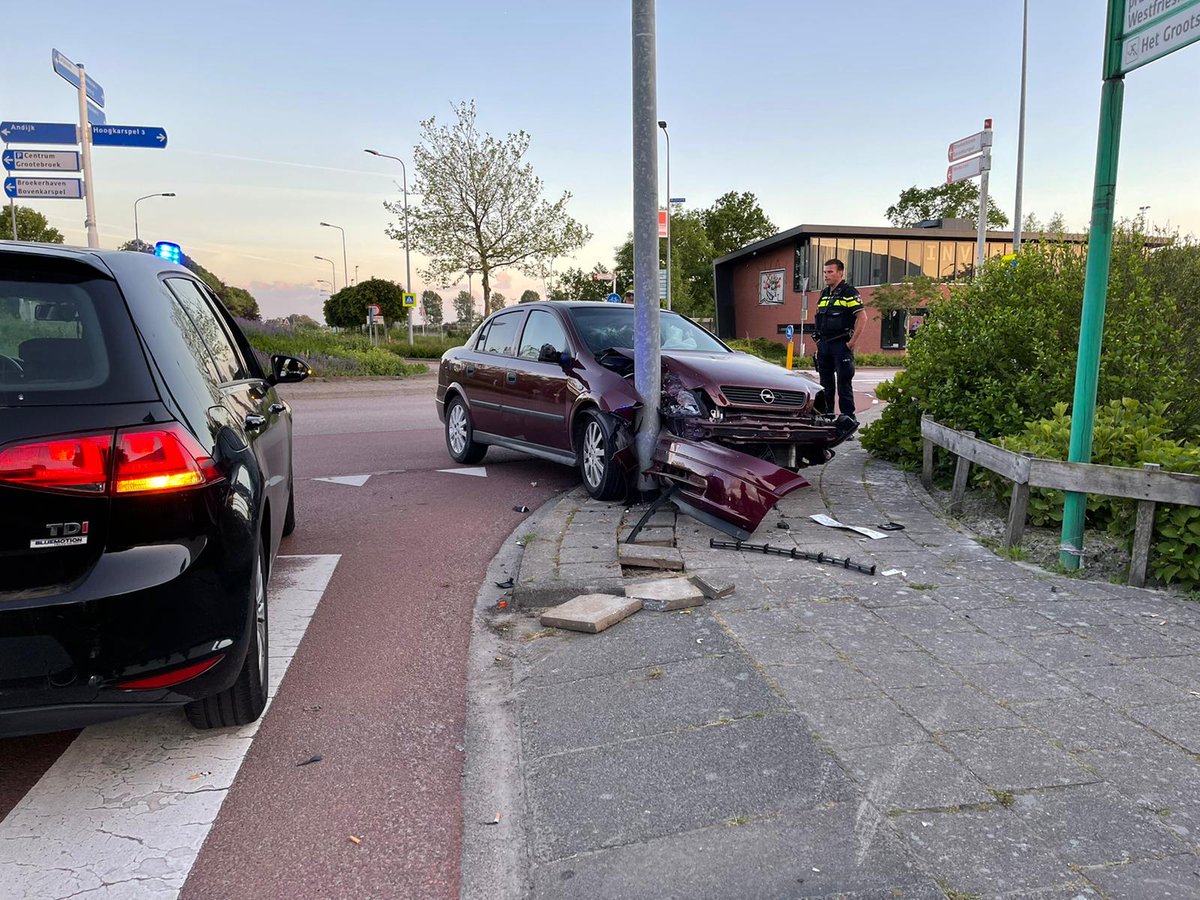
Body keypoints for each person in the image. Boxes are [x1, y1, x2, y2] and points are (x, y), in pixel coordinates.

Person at [813, 258, 865, 419]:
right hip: (825, 345)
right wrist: (819, 343)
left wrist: (851, 343)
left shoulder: (849, 292)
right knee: (825, 385)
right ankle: (827, 418)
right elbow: (820, 318)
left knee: (843, 385)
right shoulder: (824, 293)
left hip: (841, 344)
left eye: (830, 272)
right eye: (825, 272)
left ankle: (848, 420)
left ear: (840, 273)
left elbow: (862, 318)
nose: (826, 275)